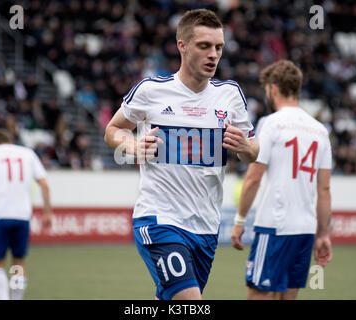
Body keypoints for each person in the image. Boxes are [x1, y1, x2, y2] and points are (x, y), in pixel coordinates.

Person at [104, 8, 259, 300]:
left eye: (219, 47)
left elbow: (252, 151)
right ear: (182, 46)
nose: (213, 54)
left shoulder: (230, 95)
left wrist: (247, 147)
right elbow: (112, 130)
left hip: (206, 229)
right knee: (190, 302)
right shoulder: (151, 91)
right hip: (159, 220)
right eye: (204, 46)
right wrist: (133, 146)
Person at [231, 60, 333, 300]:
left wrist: (239, 220)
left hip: (274, 226)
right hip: (305, 230)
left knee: (258, 294)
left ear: (273, 88)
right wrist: (323, 234)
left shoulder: (271, 123)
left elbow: (253, 177)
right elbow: (325, 189)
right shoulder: (320, 130)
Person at [0, 129, 53, 300]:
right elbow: (44, 185)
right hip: (23, 216)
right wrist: (47, 213)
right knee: (18, 263)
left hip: (0, 214)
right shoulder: (28, 153)